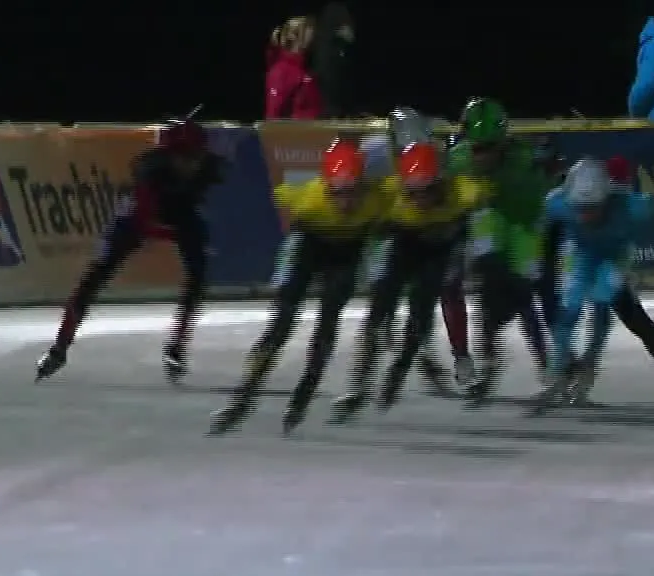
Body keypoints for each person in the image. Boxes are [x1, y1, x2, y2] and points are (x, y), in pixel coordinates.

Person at [210, 138, 388, 434]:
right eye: (338, 193)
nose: (345, 202)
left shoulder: (378, 200)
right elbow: (290, 250)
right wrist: (283, 281)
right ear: (327, 185)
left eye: (352, 193)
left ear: (363, 185)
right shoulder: (307, 200)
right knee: (281, 326)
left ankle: (306, 389)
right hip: (309, 248)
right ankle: (245, 394)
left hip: (345, 258)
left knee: (327, 322)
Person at [37, 121, 225, 383]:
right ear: (169, 156)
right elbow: (148, 225)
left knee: (199, 274)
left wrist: (195, 241)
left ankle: (177, 346)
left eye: (196, 156)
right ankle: (60, 348)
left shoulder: (208, 168)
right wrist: (180, 235)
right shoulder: (150, 172)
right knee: (95, 277)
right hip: (138, 215)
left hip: (181, 212)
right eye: (184, 157)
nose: (191, 164)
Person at [331, 141, 488, 421]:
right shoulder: (389, 192)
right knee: (377, 317)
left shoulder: (462, 193)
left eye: (425, 191)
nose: (419, 200)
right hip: (404, 245)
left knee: (420, 316)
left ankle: (397, 372)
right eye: (412, 192)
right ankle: (359, 383)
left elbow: (479, 204)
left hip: (437, 252)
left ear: (439, 184)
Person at [544, 156, 654, 404]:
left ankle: (593, 367)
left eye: (593, 208)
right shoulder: (558, 204)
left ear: (607, 198)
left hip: (614, 257)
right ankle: (556, 371)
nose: (586, 216)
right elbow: (548, 240)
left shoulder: (632, 206)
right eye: (580, 209)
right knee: (569, 308)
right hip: (582, 254)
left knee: (609, 306)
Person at [449, 99, 555, 407]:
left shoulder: (525, 159)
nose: (482, 156)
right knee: (486, 289)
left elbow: (549, 194)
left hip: (525, 222)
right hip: (493, 219)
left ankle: (546, 361)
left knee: (523, 293)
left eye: (490, 148)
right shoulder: (457, 159)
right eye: (477, 148)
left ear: (504, 143)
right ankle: (489, 361)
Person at [265, 17, 322, 120]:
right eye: (307, 31)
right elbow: (273, 113)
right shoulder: (281, 70)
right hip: (294, 133)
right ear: (294, 36)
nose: (314, 37)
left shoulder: (304, 70)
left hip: (310, 132)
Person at [308, 2, 355, 118]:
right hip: (328, 65)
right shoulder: (336, 8)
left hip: (318, 64)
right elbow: (349, 36)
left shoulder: (322, 10)